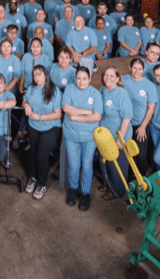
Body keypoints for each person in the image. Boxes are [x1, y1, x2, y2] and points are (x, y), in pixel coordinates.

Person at [63, 66, 103, 211]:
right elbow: (66, 108)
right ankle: (73, 188)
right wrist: (86, 112)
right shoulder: (70, 89)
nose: (81, 81)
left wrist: (76, 117)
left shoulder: (95, 94)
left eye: (84, 78)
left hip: (89, 137)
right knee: (74, 165)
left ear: (90, 79)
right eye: (78, 78)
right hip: (71, 135)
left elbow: (97, 117)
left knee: (86, 165)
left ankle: (85, 193)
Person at [22, 65, 63, 200]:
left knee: (41, 156)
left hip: (50, 128)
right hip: (34, 126)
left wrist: (40, 117)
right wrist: (26, 105)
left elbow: (57, 114)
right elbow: (24, 101)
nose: (36, 77)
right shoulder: (31, 88)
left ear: (46, 74)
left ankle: (42, 183)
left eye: (39, 74)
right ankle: (33, 178)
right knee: (33, 153)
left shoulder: (55, 91)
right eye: (34, 75)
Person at [98, 66, 133, 200]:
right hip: (104, 136)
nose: (108, 78)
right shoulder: (101, 90)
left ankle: (116, 191)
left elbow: (127, 118)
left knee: (116, 166)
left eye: (112, 76)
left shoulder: (121, 94)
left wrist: (120, 139)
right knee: (104, 162)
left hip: (117, 136)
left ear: (118, 78)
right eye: (106, 75)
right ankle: (107, 184)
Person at [14, 38, 53, 150]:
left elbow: (47, 77)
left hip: (41, 89)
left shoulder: (46, 59)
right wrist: (21, 88)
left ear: (41, 48)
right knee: (26, 108)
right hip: (26, 89)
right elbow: (22, 73)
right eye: (33, 46)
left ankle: (22, 134)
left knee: (31, 108)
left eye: (37, 46)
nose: (35, 48)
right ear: (30, 47)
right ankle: (24, 135)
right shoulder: (26, 57)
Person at [122, 59, 157, 178]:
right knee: (126, 153)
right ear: (129, 67)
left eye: (140, 69)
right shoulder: (122, 80)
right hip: (125, 123)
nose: (137, 71)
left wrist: (143, 127)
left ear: (143, 70)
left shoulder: (149, 85)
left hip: (140, 124)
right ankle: (128, 175)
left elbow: (151, 109)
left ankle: (141, 179)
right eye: (134, 68)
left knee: (141, 155)